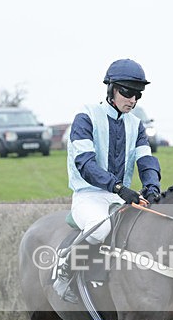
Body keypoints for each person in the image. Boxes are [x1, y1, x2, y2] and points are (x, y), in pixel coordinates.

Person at [54, 58, 162, 303]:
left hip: (119, 194)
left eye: (138, 94)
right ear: (111, 88)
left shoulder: (136, 125)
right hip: (89, 195)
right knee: (100, 228)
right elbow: (85, 164)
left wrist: (152, 185)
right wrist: (118, 187)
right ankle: (65, 266)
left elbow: (146, 160)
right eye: (127, 92)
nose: (132, 100)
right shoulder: (86, 117)